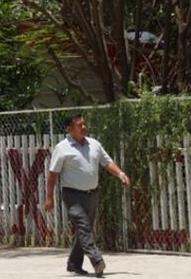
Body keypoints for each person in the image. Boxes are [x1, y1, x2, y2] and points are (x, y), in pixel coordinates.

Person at [44, 114, 129, 277]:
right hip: (72, 195)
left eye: (84, 124)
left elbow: (107, 161)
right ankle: (97, 261)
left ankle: (74, 263)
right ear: (69, 129)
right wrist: (49, 198)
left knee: (85, 230)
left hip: (92, 194)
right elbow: (52, 174)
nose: (84, 127)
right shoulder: (62, 148)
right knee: (84, 227)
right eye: (79, 125)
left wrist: (120, 173)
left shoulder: (94, 144)